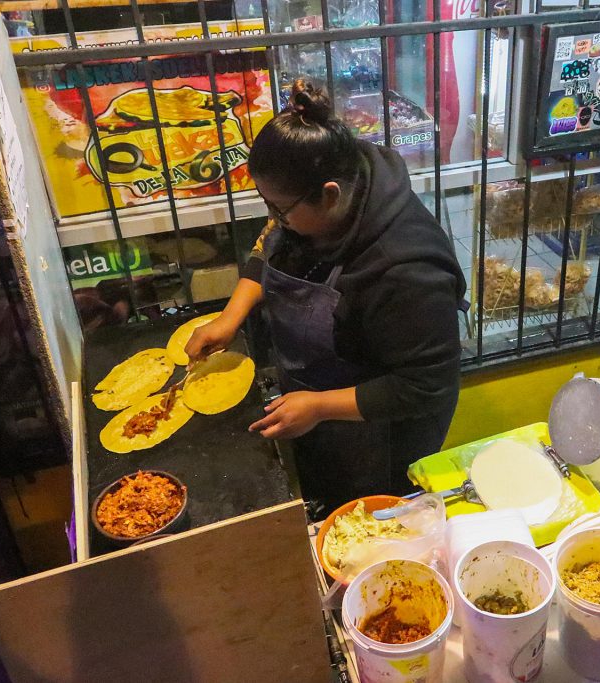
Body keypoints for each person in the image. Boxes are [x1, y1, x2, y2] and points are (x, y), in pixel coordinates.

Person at [186, 79, 466, 517]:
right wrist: (231, 316)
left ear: (330, 195)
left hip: (382, 433)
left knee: (364, 522)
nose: (273, 218)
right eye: (268, 205)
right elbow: (272, 242)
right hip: (317, 408)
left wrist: (317, 406)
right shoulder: (318, 199)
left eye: (281, 209)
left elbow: (426, 386)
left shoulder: (406, 270)